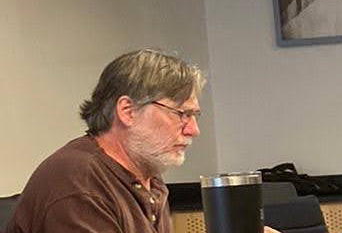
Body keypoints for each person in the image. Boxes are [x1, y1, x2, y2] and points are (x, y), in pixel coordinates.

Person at [5, 49, 279, 233]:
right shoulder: (79, 183)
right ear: (128, 111)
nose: (193, 129)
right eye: (181, 113)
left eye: (194, 115)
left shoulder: (148, 177)